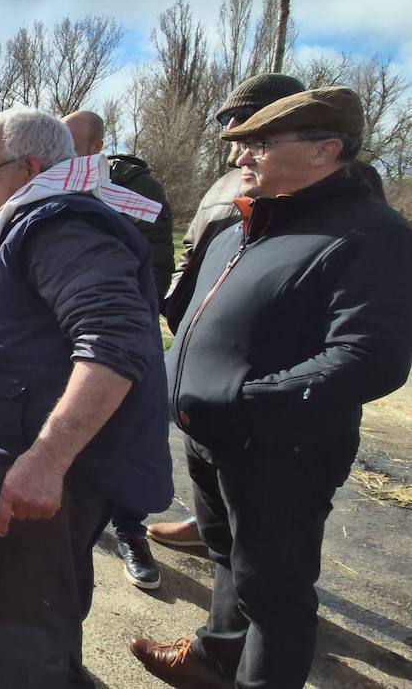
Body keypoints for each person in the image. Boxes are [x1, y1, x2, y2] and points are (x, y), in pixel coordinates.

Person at [131, 88, 412, 689]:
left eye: (258, 145)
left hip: (282, 450)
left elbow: (371, 359)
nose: (240, 160)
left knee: (275, 596)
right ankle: (213, 660)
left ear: (326, 151)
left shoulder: (370, 234)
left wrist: (242, 403)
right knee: (228, 559)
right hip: (211, 439)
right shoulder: (246, 224)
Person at [0, 108, 172, 687]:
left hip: (57, 465)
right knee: (49, 598)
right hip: (52, 459)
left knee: (20, 621)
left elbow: (115, 340)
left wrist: (46, 459)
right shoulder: (37, 220)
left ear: (30, 166)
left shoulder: (58, 224)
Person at [149, 72, 307, 551]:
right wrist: (179, 300)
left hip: (257, 372)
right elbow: (193, 246)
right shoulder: (229, 181)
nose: (233, 132)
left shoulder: (305, 187)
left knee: (265, 534)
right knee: (207, 469)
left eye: (245, 121)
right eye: (229, 122)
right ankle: (206, 527)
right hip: (200, 338)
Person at [62, 110, 175, 591]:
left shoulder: (136, 191)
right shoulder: (58, 185)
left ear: (97, 146)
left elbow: (156, 266)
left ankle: (131, 530)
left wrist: (121, 321)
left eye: (73, 146)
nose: (63, 156)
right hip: (68, 334)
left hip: (119, 335)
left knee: (124, 434)